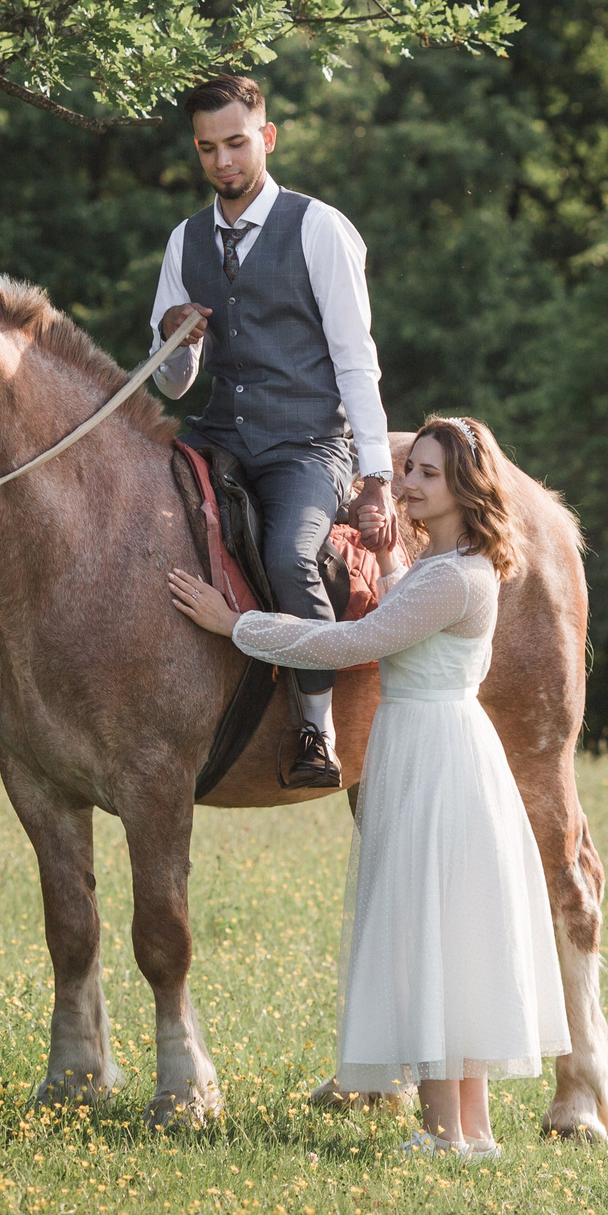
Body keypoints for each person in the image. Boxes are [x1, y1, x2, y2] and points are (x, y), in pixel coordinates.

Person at [167, 415, 569, 1158]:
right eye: (408, 468)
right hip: (427, 745)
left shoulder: (454, 577)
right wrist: (387, 561)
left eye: (424, 474)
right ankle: (465, 1129)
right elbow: (401, 613)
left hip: (436, 755)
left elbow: (355, 642)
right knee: (445, 937)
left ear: (463, 489)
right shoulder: (448, 566)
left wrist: (238, 624)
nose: (404, 483)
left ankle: (452, 1130)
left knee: (436, 934)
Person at [150, 74, 395, 789]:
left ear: (267, 136)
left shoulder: (319, 227)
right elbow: (172, 384)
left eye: (235, 143)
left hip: (307, 443)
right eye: (206, 149)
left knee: (290, 555)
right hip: (218, 435)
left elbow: (356, 359)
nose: (222, 162)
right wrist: (173, 337)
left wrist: (374, 477)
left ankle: (315, 727)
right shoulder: (184, 240)